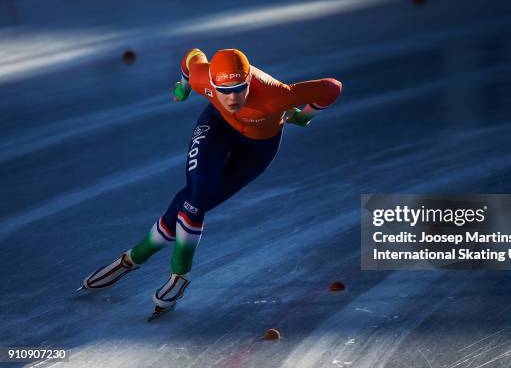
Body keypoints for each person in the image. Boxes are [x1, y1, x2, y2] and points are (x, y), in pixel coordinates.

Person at [80, 48, 342, 316]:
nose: (232, 98)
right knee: (198, 192)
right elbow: (191, 55)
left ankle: (134, 258)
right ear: (212, 84)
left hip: (258, 148)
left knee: (196, 200)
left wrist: (304, 116)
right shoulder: (200, 78)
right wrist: (184, 87)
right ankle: (178, 275)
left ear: (249, 81)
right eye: (223, 90)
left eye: (240, 89)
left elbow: (332, 87)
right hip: (217, 126)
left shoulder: (277, 95)